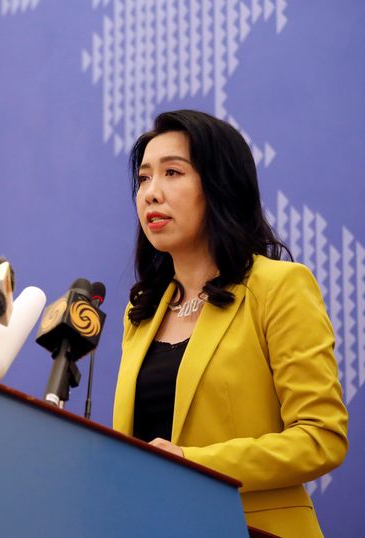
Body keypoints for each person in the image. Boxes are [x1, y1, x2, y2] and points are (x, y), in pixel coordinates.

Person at [112, 110, 348, 537]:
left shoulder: (278, 287)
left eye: (172, 173)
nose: (151, 193)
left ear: (219, 186)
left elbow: (320, 437)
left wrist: (192, 463)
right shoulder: (141, 313)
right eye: (144, 178)